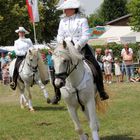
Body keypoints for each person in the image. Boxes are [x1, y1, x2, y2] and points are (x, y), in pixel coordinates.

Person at [56, 0, 109, 101]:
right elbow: (59, 35)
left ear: (73, 9)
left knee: (96, 66)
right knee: (58, 66)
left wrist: (78, 45)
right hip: (66, 48)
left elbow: (86, 35)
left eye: (66, 8)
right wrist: (62, 43)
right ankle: (57, 94)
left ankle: (101, 91)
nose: (64, 10)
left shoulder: (82, 20)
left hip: (81, 47)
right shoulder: (62, 21)